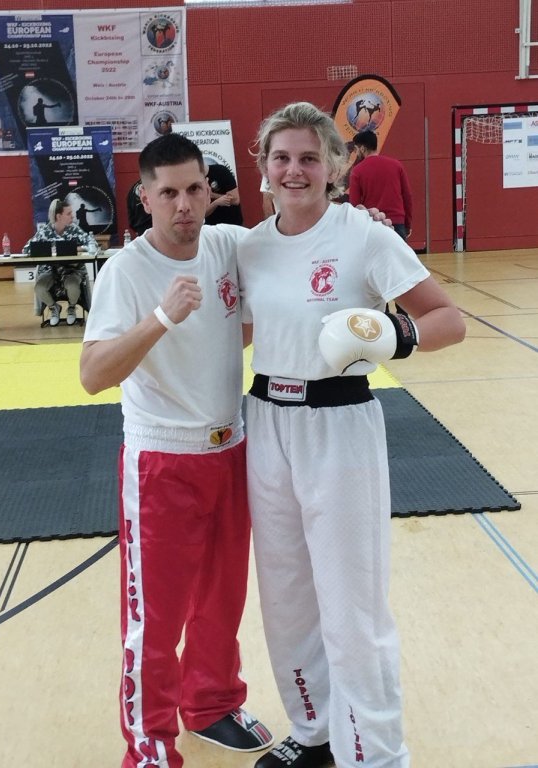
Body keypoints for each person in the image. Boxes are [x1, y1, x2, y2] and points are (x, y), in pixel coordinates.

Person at [237, 102, 466, 768]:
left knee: (351, 607)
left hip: (340, 426)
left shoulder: (365, 237)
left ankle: (376, 755)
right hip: (267, 422)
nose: (294, 170)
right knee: (285, 597)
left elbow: (449, 320)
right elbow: (239, 332)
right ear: (263, 166)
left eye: (310, 157)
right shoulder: (249, 247)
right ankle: (314, 733)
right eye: (282, 157)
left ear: (336, 166)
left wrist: (394, 333)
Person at [79, 133, 273, 768]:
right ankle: (150, 743)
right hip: (161, 462)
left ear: (210, 192)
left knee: (222, 599)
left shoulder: (228, 245)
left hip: (230, 448)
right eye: (169, 193)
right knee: (155, 620)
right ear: (145, 198)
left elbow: (295, 248)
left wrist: (358, 226)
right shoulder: (126, 271)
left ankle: (212, 704)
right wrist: (161, 319)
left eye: (195, 189)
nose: (185, 205)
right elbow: (92, 375)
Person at [23, 199, 91, 326]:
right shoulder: (44, 231)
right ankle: (54, 308)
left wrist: (78, 248)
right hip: (50, 271)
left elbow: (92, 245)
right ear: (59, 216)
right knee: (39, 288)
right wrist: (46, 250)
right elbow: (26, 249)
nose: (72, 216)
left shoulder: (75, 230)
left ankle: (72, 308)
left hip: (71, 270)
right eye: (69, 213)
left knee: (72, 286)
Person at [348, 129, 413, 241]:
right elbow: (407, 196)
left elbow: (355, 205)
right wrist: (407, 224)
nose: (356, 153)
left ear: (362, 149)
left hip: (373, 225)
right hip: (397, 223)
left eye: (356, 150)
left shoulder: (357, 171)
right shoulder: (396, 165)